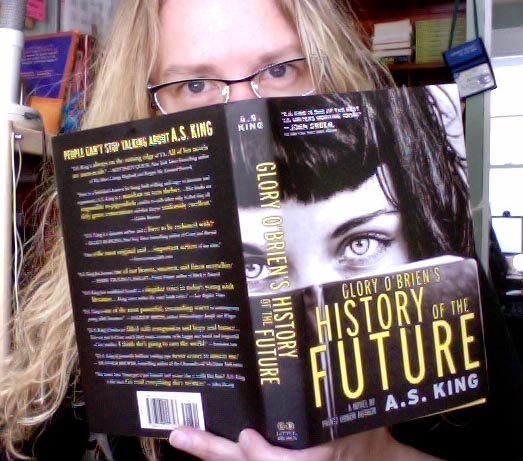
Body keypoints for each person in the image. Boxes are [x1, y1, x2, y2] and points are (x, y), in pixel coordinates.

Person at [1, 0, 522, 460]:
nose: (245, 112)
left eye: (279, 70)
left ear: (327, 70)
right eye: (195, 85)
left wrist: (375, 455)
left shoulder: (449, 281)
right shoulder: (82, 312)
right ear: (142, 105)